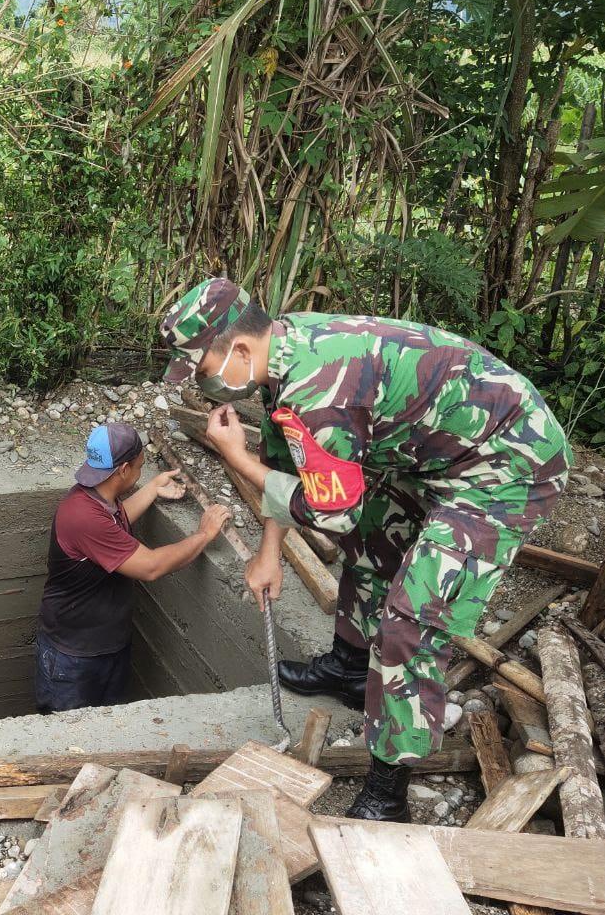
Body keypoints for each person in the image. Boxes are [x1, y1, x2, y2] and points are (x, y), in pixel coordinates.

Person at [160, 277, 571, 822]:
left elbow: (331, 512)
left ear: (239, 349)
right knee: (375, 532)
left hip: (508, 463)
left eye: (204, 371)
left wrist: (235, 458)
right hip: (437, 453)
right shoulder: (284, 351)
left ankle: (388, 792)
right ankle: (352, 668)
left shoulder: (321, 389)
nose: (207, 386)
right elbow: (289, 462)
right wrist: (269, 552)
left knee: (412, 619)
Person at [36, 422, 231, 713]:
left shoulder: (95, 498)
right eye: (140, 468)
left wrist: (152, 488)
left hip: (105, 646)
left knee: (110, 734)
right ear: (124, 469)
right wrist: (203, 534)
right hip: (73, 659)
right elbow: (151, 567)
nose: (142, 472)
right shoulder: (82, 517)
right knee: (68, 744)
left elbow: (116, 523)